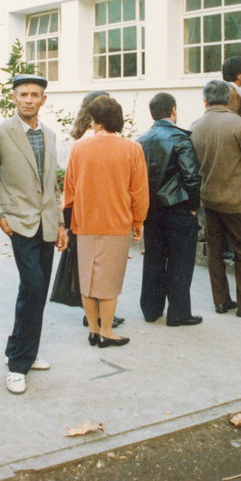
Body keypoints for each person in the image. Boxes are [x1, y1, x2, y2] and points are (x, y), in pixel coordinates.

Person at [0, 74, 68, 395]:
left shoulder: (50, 135)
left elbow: (51, 186)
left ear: (43, 99)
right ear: (14, 98)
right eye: (23, 94)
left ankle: (24, 352)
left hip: (46, 224)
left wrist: (60, 224)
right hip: (18, 222)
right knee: (32, 286)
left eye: (34, 94)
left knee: (37, 291)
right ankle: (17, 366)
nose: (28, 99)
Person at [63, 95, 148, 347]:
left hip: (84, 223)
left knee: (87, 279)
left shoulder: (78, 148)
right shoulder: (133, 149)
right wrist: (138, 222)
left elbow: (69, 189)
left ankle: (93, 329)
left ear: (96, 121)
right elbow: (139, 191)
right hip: (117, 224)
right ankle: (107, 331)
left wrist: (69, 220)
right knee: (110, 281)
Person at [190, 79, 241, 317]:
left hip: (210, 199)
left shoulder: (195, 126)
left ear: (205, 100)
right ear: (227, 99)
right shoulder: (238, 124)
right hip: (239, 199)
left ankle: (221, 300)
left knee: (215, 251)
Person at [137, 92, 202, 326]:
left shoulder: (141, 140)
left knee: (153, 258)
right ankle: (178, 312)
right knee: (180, 261)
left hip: (152, 209)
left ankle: (151, 309)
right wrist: (193, 206)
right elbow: (191, 176)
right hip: (178, 206)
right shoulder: (180, 138)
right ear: (173, 110)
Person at [64, 90, 123, 329]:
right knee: (102, 269)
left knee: (90, 268)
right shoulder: (91, 138)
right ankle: (98, 318)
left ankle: (95, 319)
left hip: (84, 214)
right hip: (101, 213)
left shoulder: (81, 137)